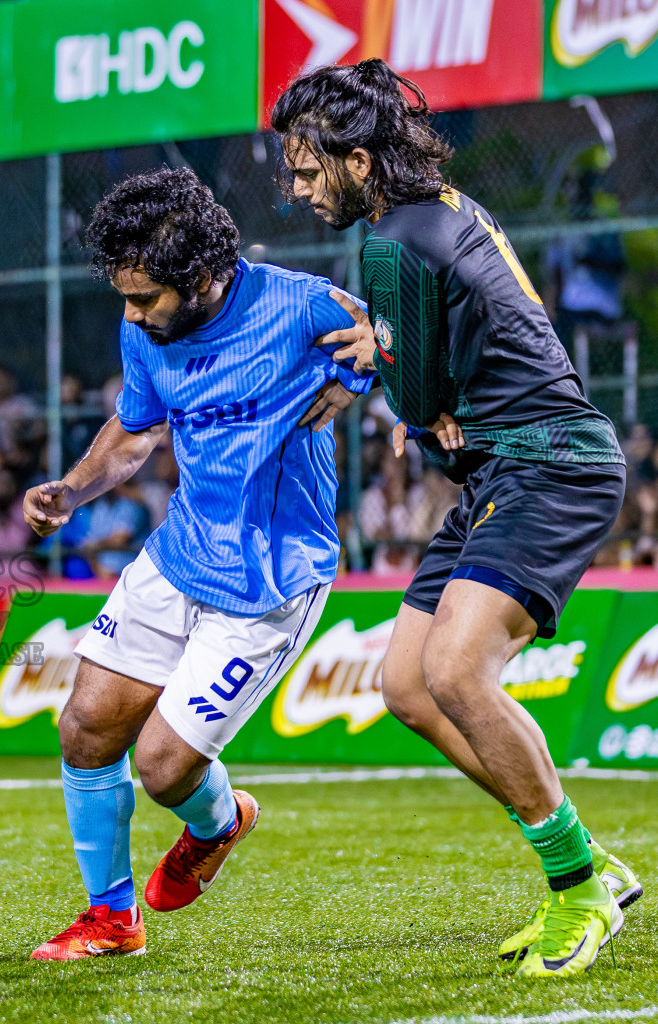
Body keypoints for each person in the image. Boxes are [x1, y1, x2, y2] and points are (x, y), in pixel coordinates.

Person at [273, 58, 640, 978]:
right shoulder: (440, 206)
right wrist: (405, 365)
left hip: (549, 463)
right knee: (407, 686)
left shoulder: (395, 243)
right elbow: (437, 372)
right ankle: (589, 860)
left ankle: (577, 889)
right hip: (499, 470)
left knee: (457, 671)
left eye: (310, 168)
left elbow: (415, 397)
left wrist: (400, 378)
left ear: (358, 160)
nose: (298, 186)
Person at [23, 168, 378, 960]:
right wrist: (72, 490)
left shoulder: (301, 305)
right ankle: (111, 920)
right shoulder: (147, 329)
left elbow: (396, 337)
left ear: (203, 277)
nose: (131, 312)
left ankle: (221, 823)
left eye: (145, 296)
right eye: (124, 295)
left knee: (160, 765)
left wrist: (373, 371)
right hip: (180, 553)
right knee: (84, 730)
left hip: (269, 581)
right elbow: (136, 429)